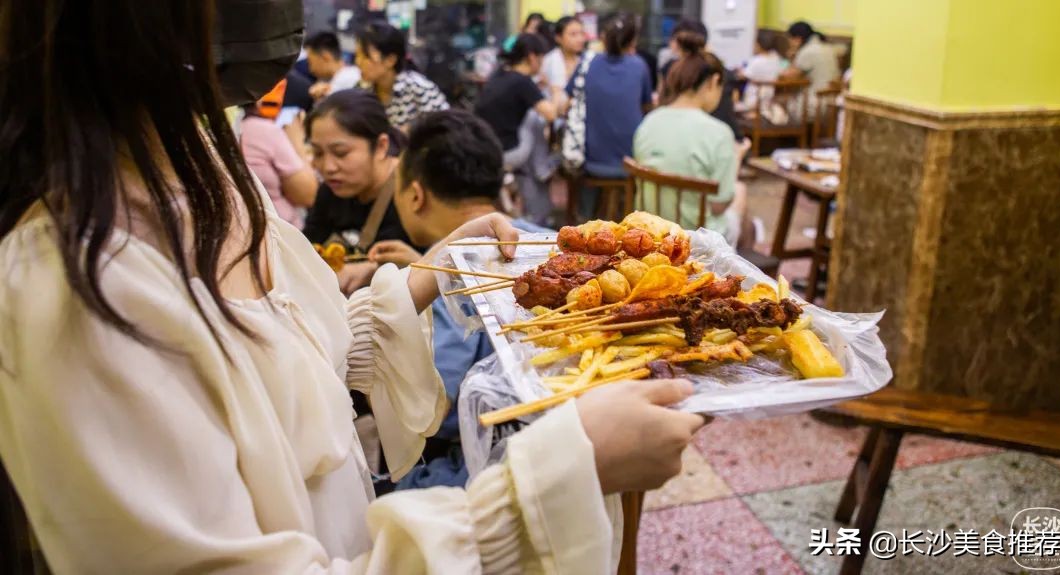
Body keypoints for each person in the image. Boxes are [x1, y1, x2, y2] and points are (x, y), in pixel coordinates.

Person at [0, 2, 705, 573]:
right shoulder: (74, 294)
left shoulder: (207, 176)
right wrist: (554, 483)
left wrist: (430, 273)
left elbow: (301, 367)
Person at [364, 110, 549, 490]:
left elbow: (436, 411)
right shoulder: (549, 241)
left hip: (491, 478)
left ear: (414, 195)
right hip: (569, 455)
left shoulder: (450, 283)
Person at [634, 32, 751, 247]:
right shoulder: (719, 132)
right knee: (741, 194)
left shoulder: (649, 121)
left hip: (651, 231)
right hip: (696, 239)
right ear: (713, 82)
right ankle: (735, 269)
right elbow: (719, 205)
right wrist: (735, 159)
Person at [302, 90, 417, 295]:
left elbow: (435, 269)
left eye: (341, 153)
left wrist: (377, 271)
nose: (328, 167)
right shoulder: (330, 191)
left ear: (381, 146)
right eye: (318, 153)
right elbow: (308, 248)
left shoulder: (413, 193)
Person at [474, 34, 564, 225]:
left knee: (530, 120)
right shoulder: (523, 82)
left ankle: (539, 171)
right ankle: (543, 167)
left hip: (487, 149)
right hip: (509, 152)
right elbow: (551, 114)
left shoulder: (499, 75)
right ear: (532, 57)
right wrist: (555, 90)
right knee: (534, 118)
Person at [570, 14, 652, 218]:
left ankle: (584, 219)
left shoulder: (588, 63)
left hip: (591, 161)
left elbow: (568, 99)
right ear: (632, 41)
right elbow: (647, 107)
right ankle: (627, 220)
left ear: (603, 38)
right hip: (630, 164)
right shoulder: (639, 66)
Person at [240, 81, 320, 230]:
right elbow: (307, 195)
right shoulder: (263, 130)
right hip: (279, 233)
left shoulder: (239, 126)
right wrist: (297, 140)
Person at [658, 19, 743, 141]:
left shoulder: (670, 69)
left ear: (678, 43)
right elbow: (734, 101)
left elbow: (662, 101)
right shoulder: (725, 72)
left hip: (685, 138)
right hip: (729, 138)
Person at [356, 20, 450, 130]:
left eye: (365, 57)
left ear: (390, 60)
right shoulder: (361, 91)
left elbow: (447, 130)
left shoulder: (419, 88)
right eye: (357, 55)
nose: (358, 62)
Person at [780, 21, 840, 109]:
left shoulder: (807, 51)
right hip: (833, 105)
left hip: (815, 106)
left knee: (778, 103)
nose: (789, 42)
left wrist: (791, 56)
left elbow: (788, 77)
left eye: (790, 39)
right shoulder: (827, 47)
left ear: (797, 39)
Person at [303, 31, 363, 101]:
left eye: (310, 62)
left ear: (325, 57)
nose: (311, 69)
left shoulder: (347, 79)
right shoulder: (331, 80)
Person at [736, 30, 786, 113]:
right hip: (768, 100)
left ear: (758, 45)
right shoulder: (776, 58)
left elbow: (742, 75)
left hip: (753, 101)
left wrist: (739, 70)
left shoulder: (756, 61)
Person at [539, 16, 586, 101]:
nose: (580, 39)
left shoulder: (584, 61)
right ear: (558, 37)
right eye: (573, 34)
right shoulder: (550, 60)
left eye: (582, 34)